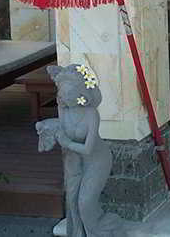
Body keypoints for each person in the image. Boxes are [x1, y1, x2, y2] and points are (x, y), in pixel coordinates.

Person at [36, 64, 122, 237]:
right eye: (61, 92)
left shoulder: (91, 114)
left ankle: (98, 232)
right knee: (73, 201)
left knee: (85, 203)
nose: (62, 97)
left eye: (67, 94)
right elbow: (64, 129)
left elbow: (88, 148)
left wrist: (66, 142)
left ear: (80, 94)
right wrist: (47, 127)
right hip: (75, 160)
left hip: (97, 161)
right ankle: (79, 233)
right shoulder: (63, 108)